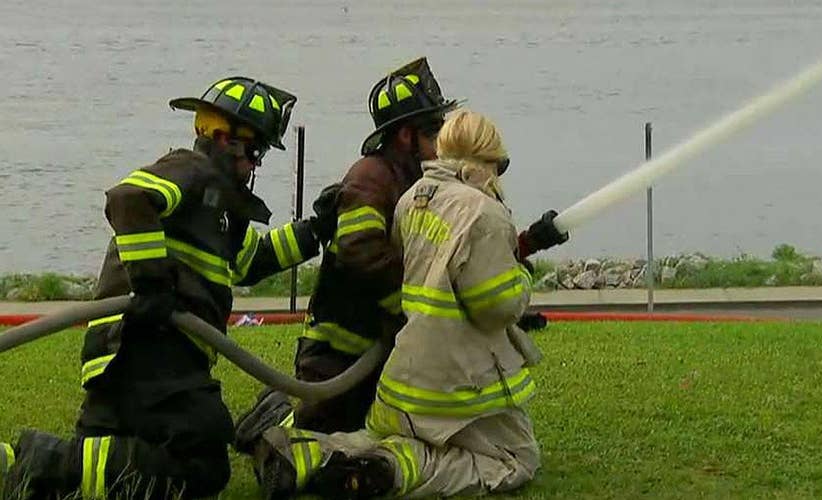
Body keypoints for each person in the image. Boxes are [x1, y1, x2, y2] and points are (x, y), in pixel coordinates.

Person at [0, 76, 336, 499]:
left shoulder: (218, 207)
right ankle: (40, 463)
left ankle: (28, 463)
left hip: (135, 354)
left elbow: (251, 260)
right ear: (220, 137)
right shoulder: (190, 171)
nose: (255, 165)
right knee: (203, 460)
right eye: (253, 151)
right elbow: (128, 199)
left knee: (110, 448)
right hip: (148, 346)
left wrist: (316, 230)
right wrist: (152, 283)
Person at [253, 109, 569, 499]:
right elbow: (497, 306)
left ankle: (305, 455)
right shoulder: (486, 213)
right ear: (487, 160)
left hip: (400, 383)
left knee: (377, 437)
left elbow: (433, 271)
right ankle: (390, 472)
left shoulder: (412, 200)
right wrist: (522, 276)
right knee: (514, 458)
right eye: (498, 166)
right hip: (457, 387)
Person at [234, 57, 459, 452]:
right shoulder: (371, 178)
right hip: (339, 353)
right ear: (406, 136)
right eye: (433, 132)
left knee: (388, 434)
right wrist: (407, 309)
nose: (441, 144)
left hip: (385, 345)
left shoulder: (415, 181)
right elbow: (361, 255)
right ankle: (272, 417)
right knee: (319, 436)